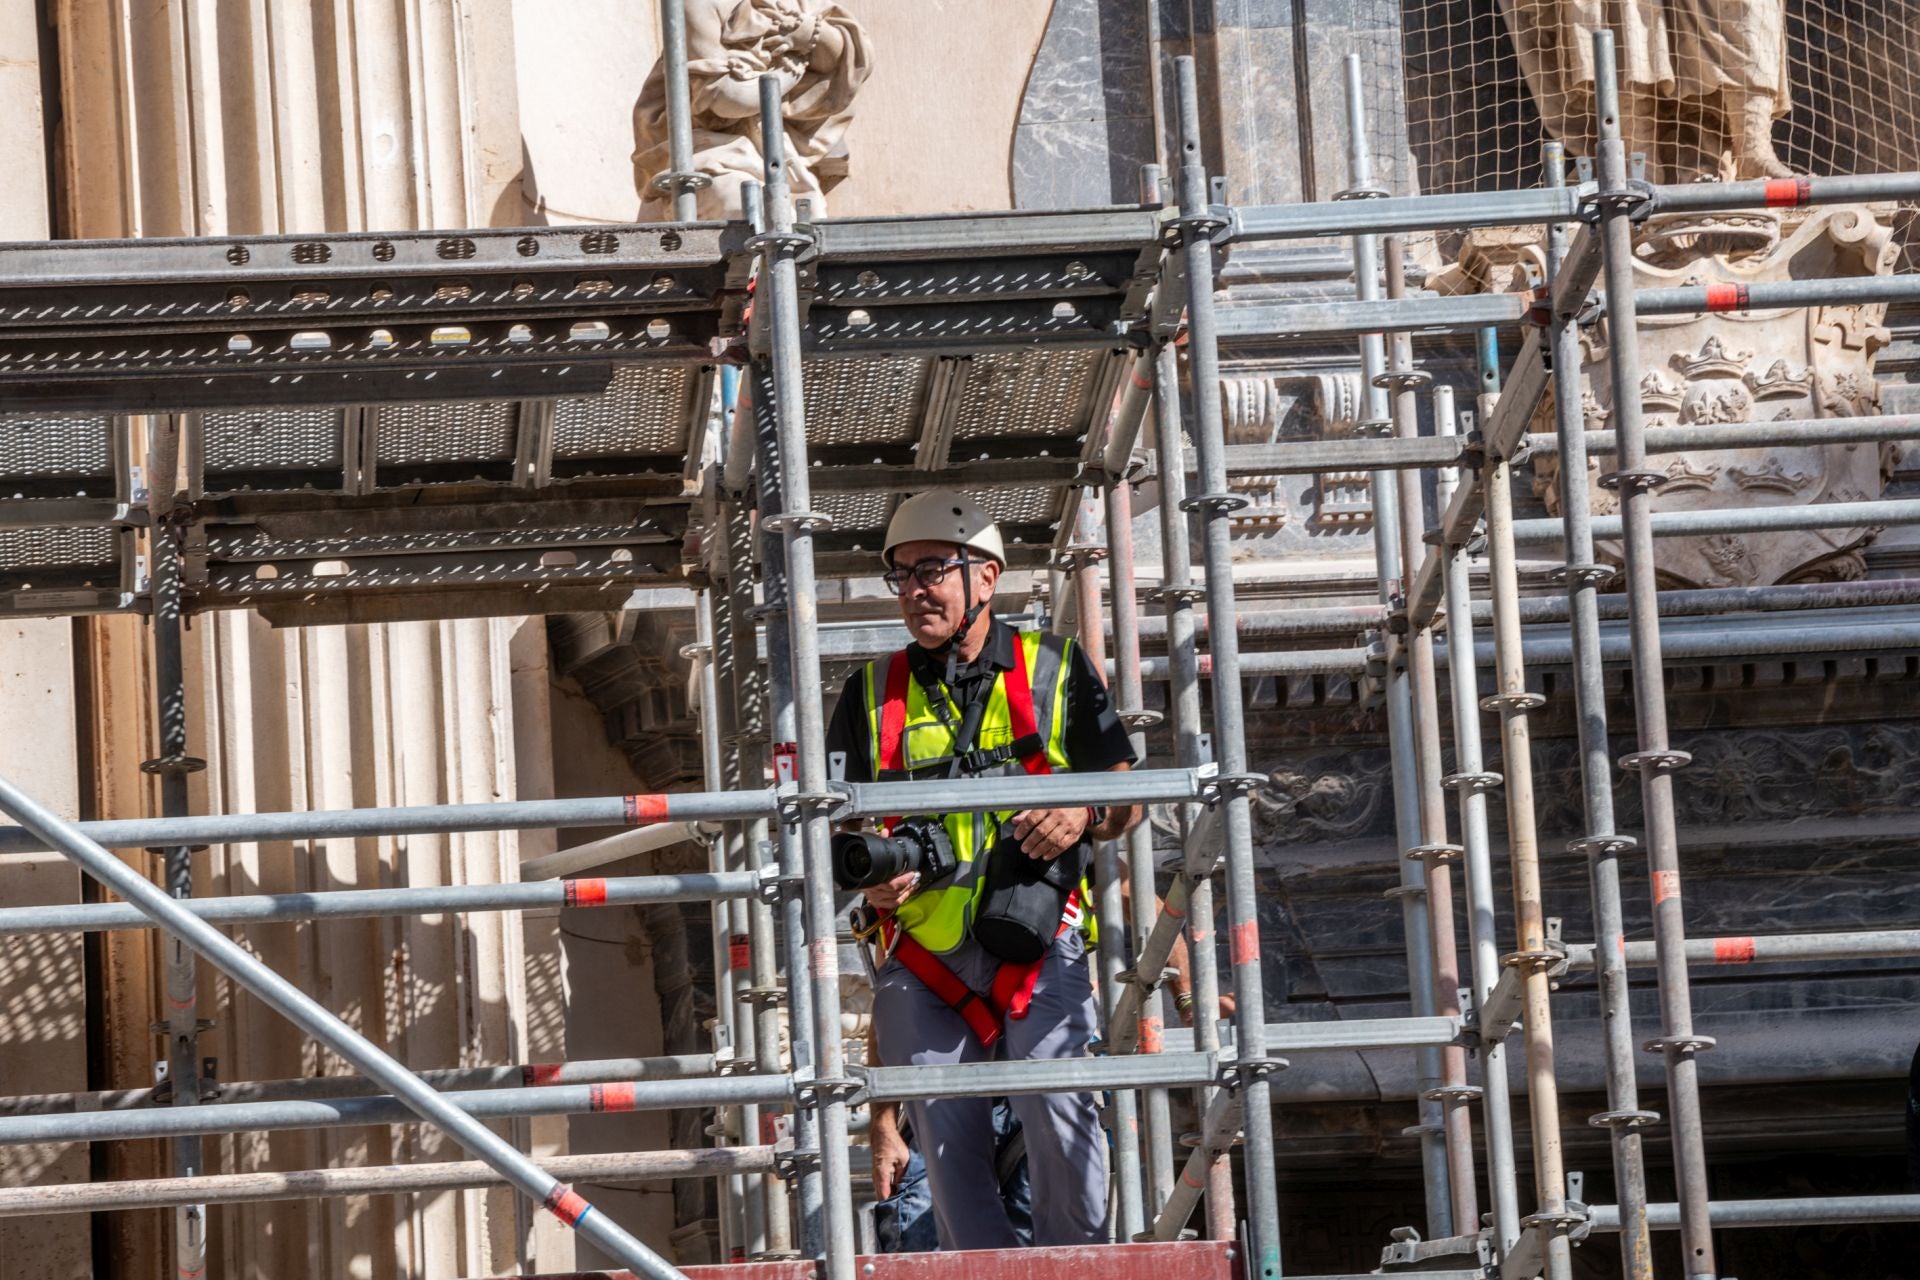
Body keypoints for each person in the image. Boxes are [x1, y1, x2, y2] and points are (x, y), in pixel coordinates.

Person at [827, 490, 1141, 1250]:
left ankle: (1079, 1269)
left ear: (987, 577)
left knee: (1061, 1118)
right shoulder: (869, 693)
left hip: (1035, 939)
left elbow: (1127, 791)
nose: (914, 590)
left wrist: (1084, 815)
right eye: (900, 576)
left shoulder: (1055, 670)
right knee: (947, 1146)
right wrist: (869, 877)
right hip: (923, 953)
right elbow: (834, 831)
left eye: (931, 569)